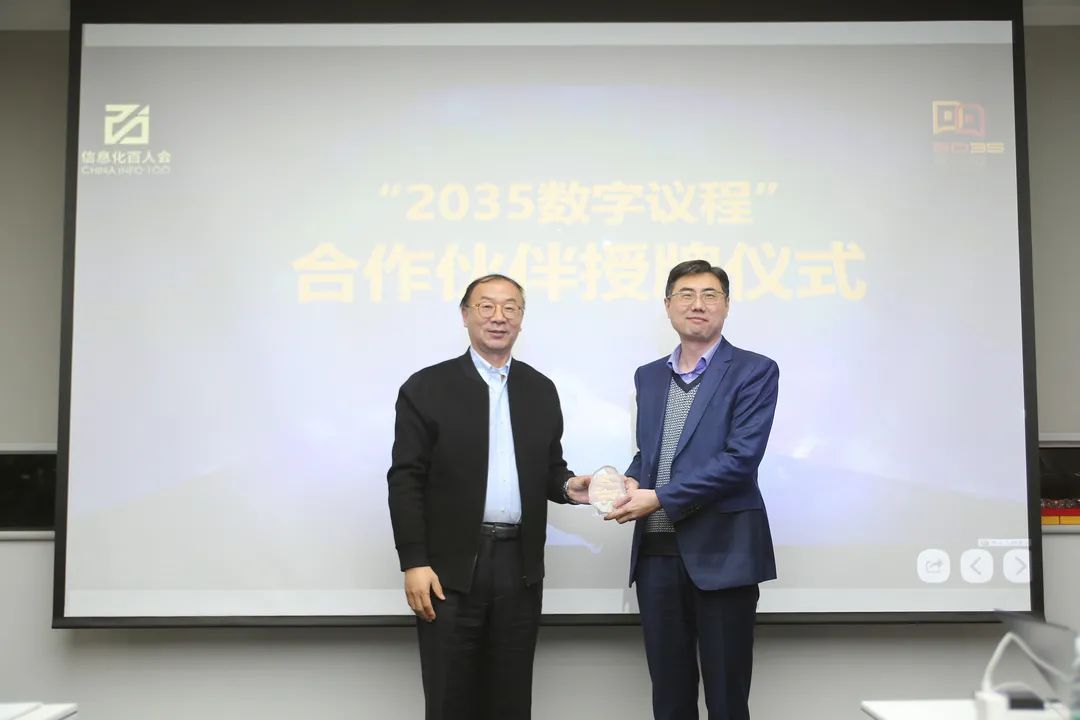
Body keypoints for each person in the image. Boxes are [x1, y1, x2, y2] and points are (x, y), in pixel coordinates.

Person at [387, 273, 589, 720]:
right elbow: (405, 480)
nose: (499, 317)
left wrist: (570, 487)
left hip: (519, 568)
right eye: (486, 306)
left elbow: (549, 470)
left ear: (521, 318)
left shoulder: (540, 389)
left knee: (511, 698)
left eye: (510, 307)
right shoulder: (426, 388)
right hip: (448, 570)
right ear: (465, 315)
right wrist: (414, 561)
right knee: (449, 697)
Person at [606, 259, 779, 720]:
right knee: (669, 698)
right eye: (685, 294)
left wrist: (660, 497)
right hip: (656, 557)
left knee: (726, 700)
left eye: (709, 295)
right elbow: (651, 453)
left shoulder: (755, 370)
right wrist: (628, 482)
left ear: (726, 305)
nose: (697, 304)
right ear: (668, 306)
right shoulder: (648, 375)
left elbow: (740, 459)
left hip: (723, 556)